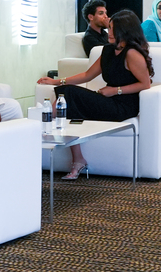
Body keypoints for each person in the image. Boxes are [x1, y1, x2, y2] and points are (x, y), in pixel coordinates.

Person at [35, 9, 152, 179]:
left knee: (69, 94)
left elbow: (145, 84)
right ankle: (77, 159)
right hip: (108, 99)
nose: (109, 32)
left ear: (125, 31)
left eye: (113, 29)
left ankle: (38, 126)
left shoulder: (132, 53)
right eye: (109, 27)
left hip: (123, 106)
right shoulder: (107, 50)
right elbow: (87, 75)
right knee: (69, 99)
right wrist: (56, 81)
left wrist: (116, 90)